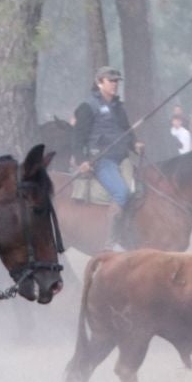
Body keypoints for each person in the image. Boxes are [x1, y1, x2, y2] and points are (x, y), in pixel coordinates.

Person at [73, 66, 138, 250]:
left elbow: (126, 131)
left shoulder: (118, 107)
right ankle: (111, 242)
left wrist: (134, 144)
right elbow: (78, 138)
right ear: (99, 82)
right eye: (111, 80)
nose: (115, 84)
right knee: (121, 193)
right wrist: (81, 161)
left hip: (123, 158)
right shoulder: (87, 107)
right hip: (102, 160)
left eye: (117, 81)